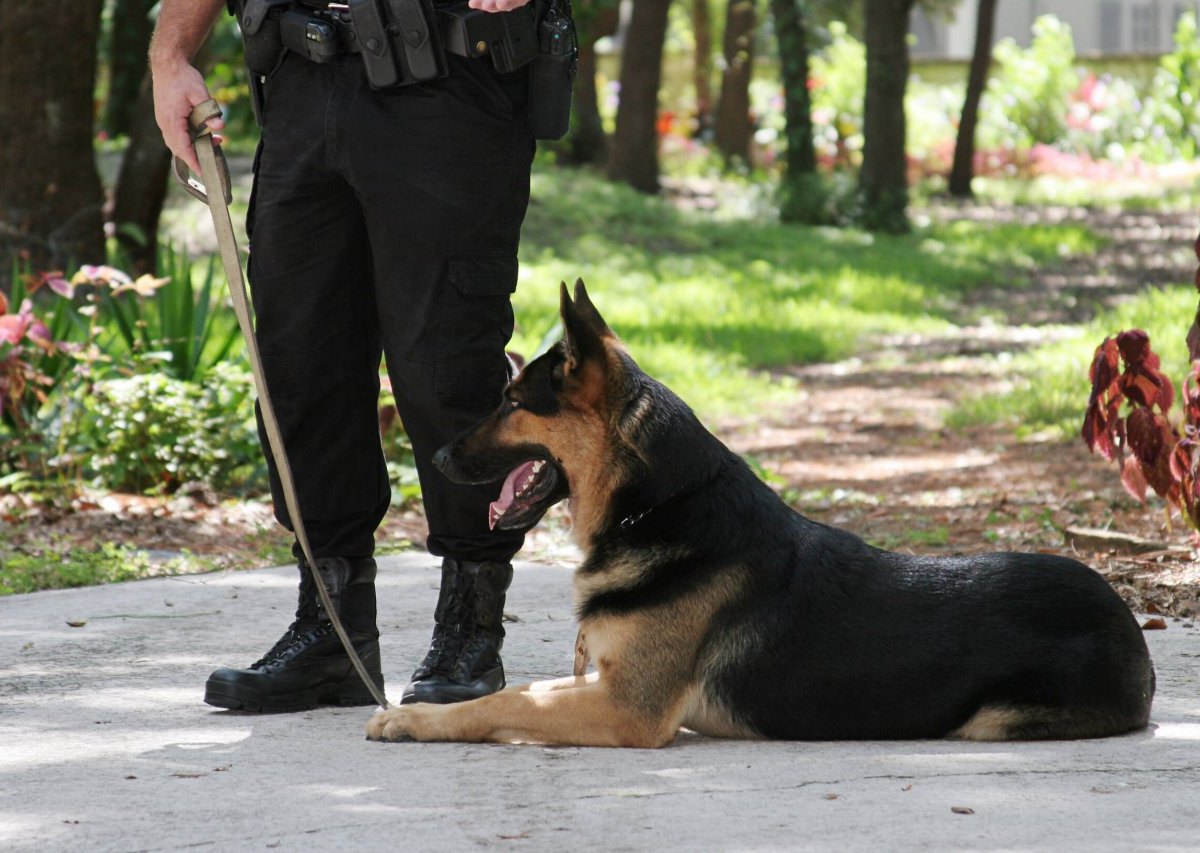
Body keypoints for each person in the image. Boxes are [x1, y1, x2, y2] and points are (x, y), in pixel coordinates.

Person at [150, 0, 538, 711]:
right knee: (302, 360)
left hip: (446, 79)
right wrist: (170, 59)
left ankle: (470, 626)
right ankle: (330, 632)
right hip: (302, 81)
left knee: (444, 360)